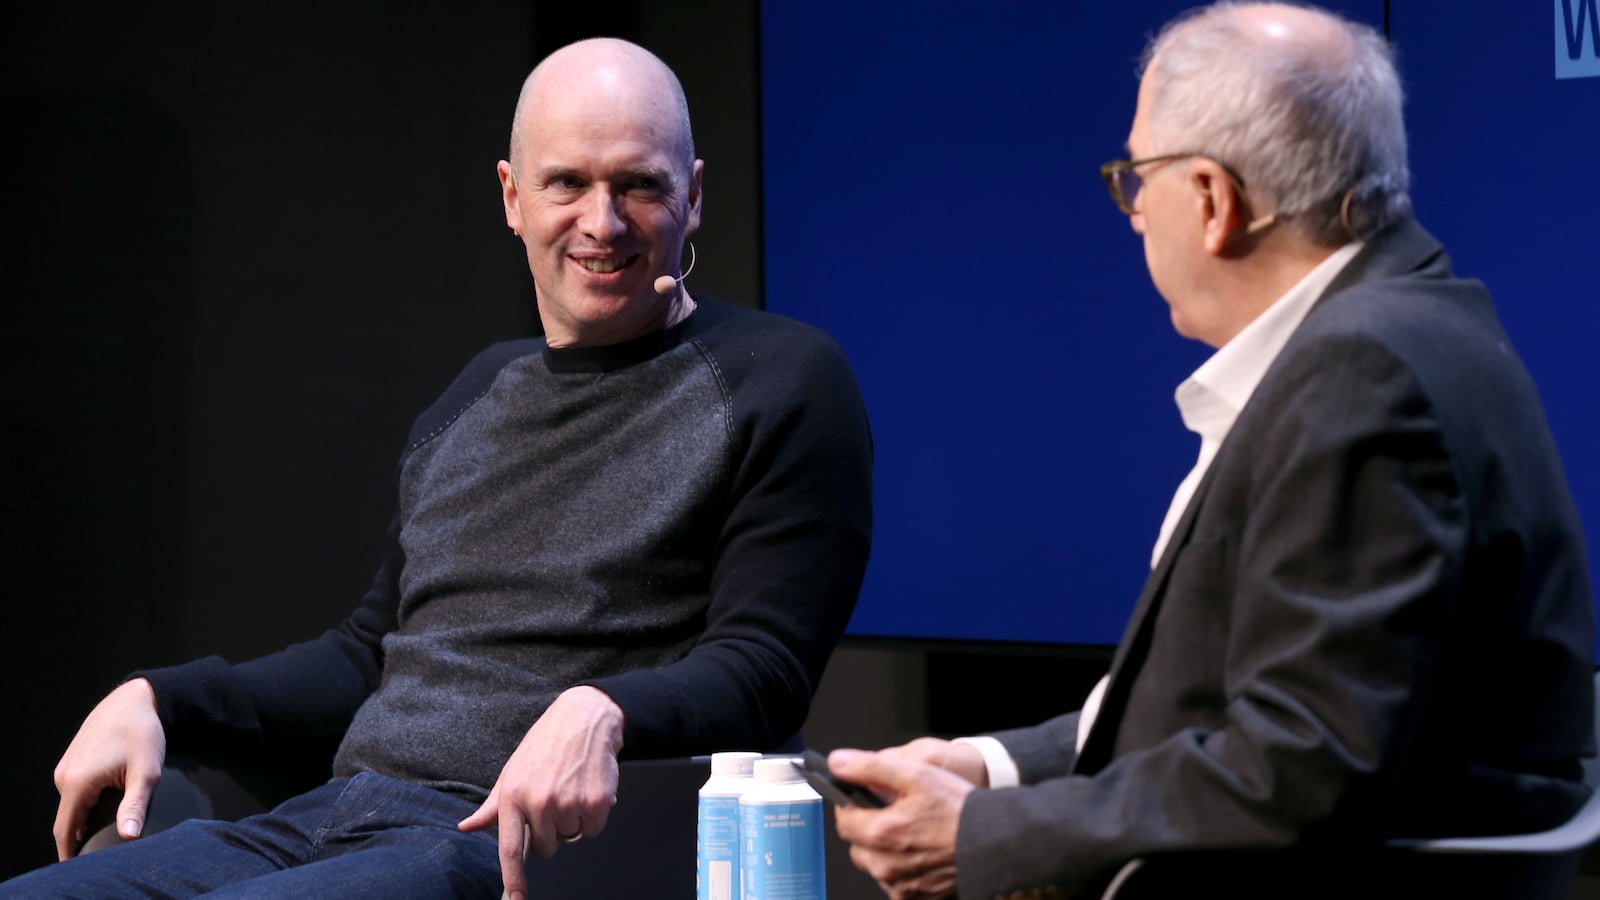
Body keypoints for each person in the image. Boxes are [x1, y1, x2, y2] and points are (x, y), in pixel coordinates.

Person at [5, 37, 872, 900]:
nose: (602, 223)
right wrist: (161, 697)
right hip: (333, 819)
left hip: (513, 847)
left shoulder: (780, 377)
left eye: (639, 184)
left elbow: (764, 668)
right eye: (567, 182)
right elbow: (368, 658)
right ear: (512, 197)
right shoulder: (479, 390)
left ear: (693, 197)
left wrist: (605, 709)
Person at [828, 3, 1594, 898]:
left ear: (1211, 198)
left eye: (1135, 178)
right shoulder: (1418, 319)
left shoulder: (1365, 376)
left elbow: (1300, 766)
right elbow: (1217, 714)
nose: (1133, 214)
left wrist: (989, 837)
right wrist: (988, 769)